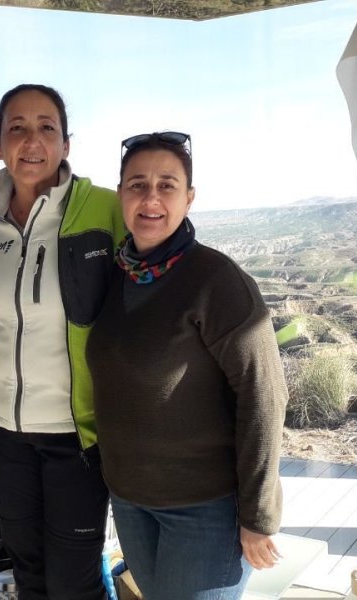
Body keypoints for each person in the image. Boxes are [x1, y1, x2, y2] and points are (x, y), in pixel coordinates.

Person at [86, 132, 289, 600]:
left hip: (205, 508)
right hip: (132, 501)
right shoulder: (117, 276)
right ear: (121, 196)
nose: (150, 198)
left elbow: (264, 395)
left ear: (189, 198)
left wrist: (258, 518)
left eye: (167, 185)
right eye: (137, 184)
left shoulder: (216, 281)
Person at [0, 84, 125, 600]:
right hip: (0, 427)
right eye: (17, 128)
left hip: (76, 432)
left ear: (66, 143)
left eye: (47, 127)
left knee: (74, 581)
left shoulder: (105, 210)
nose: (32, 140)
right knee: (27, 571)